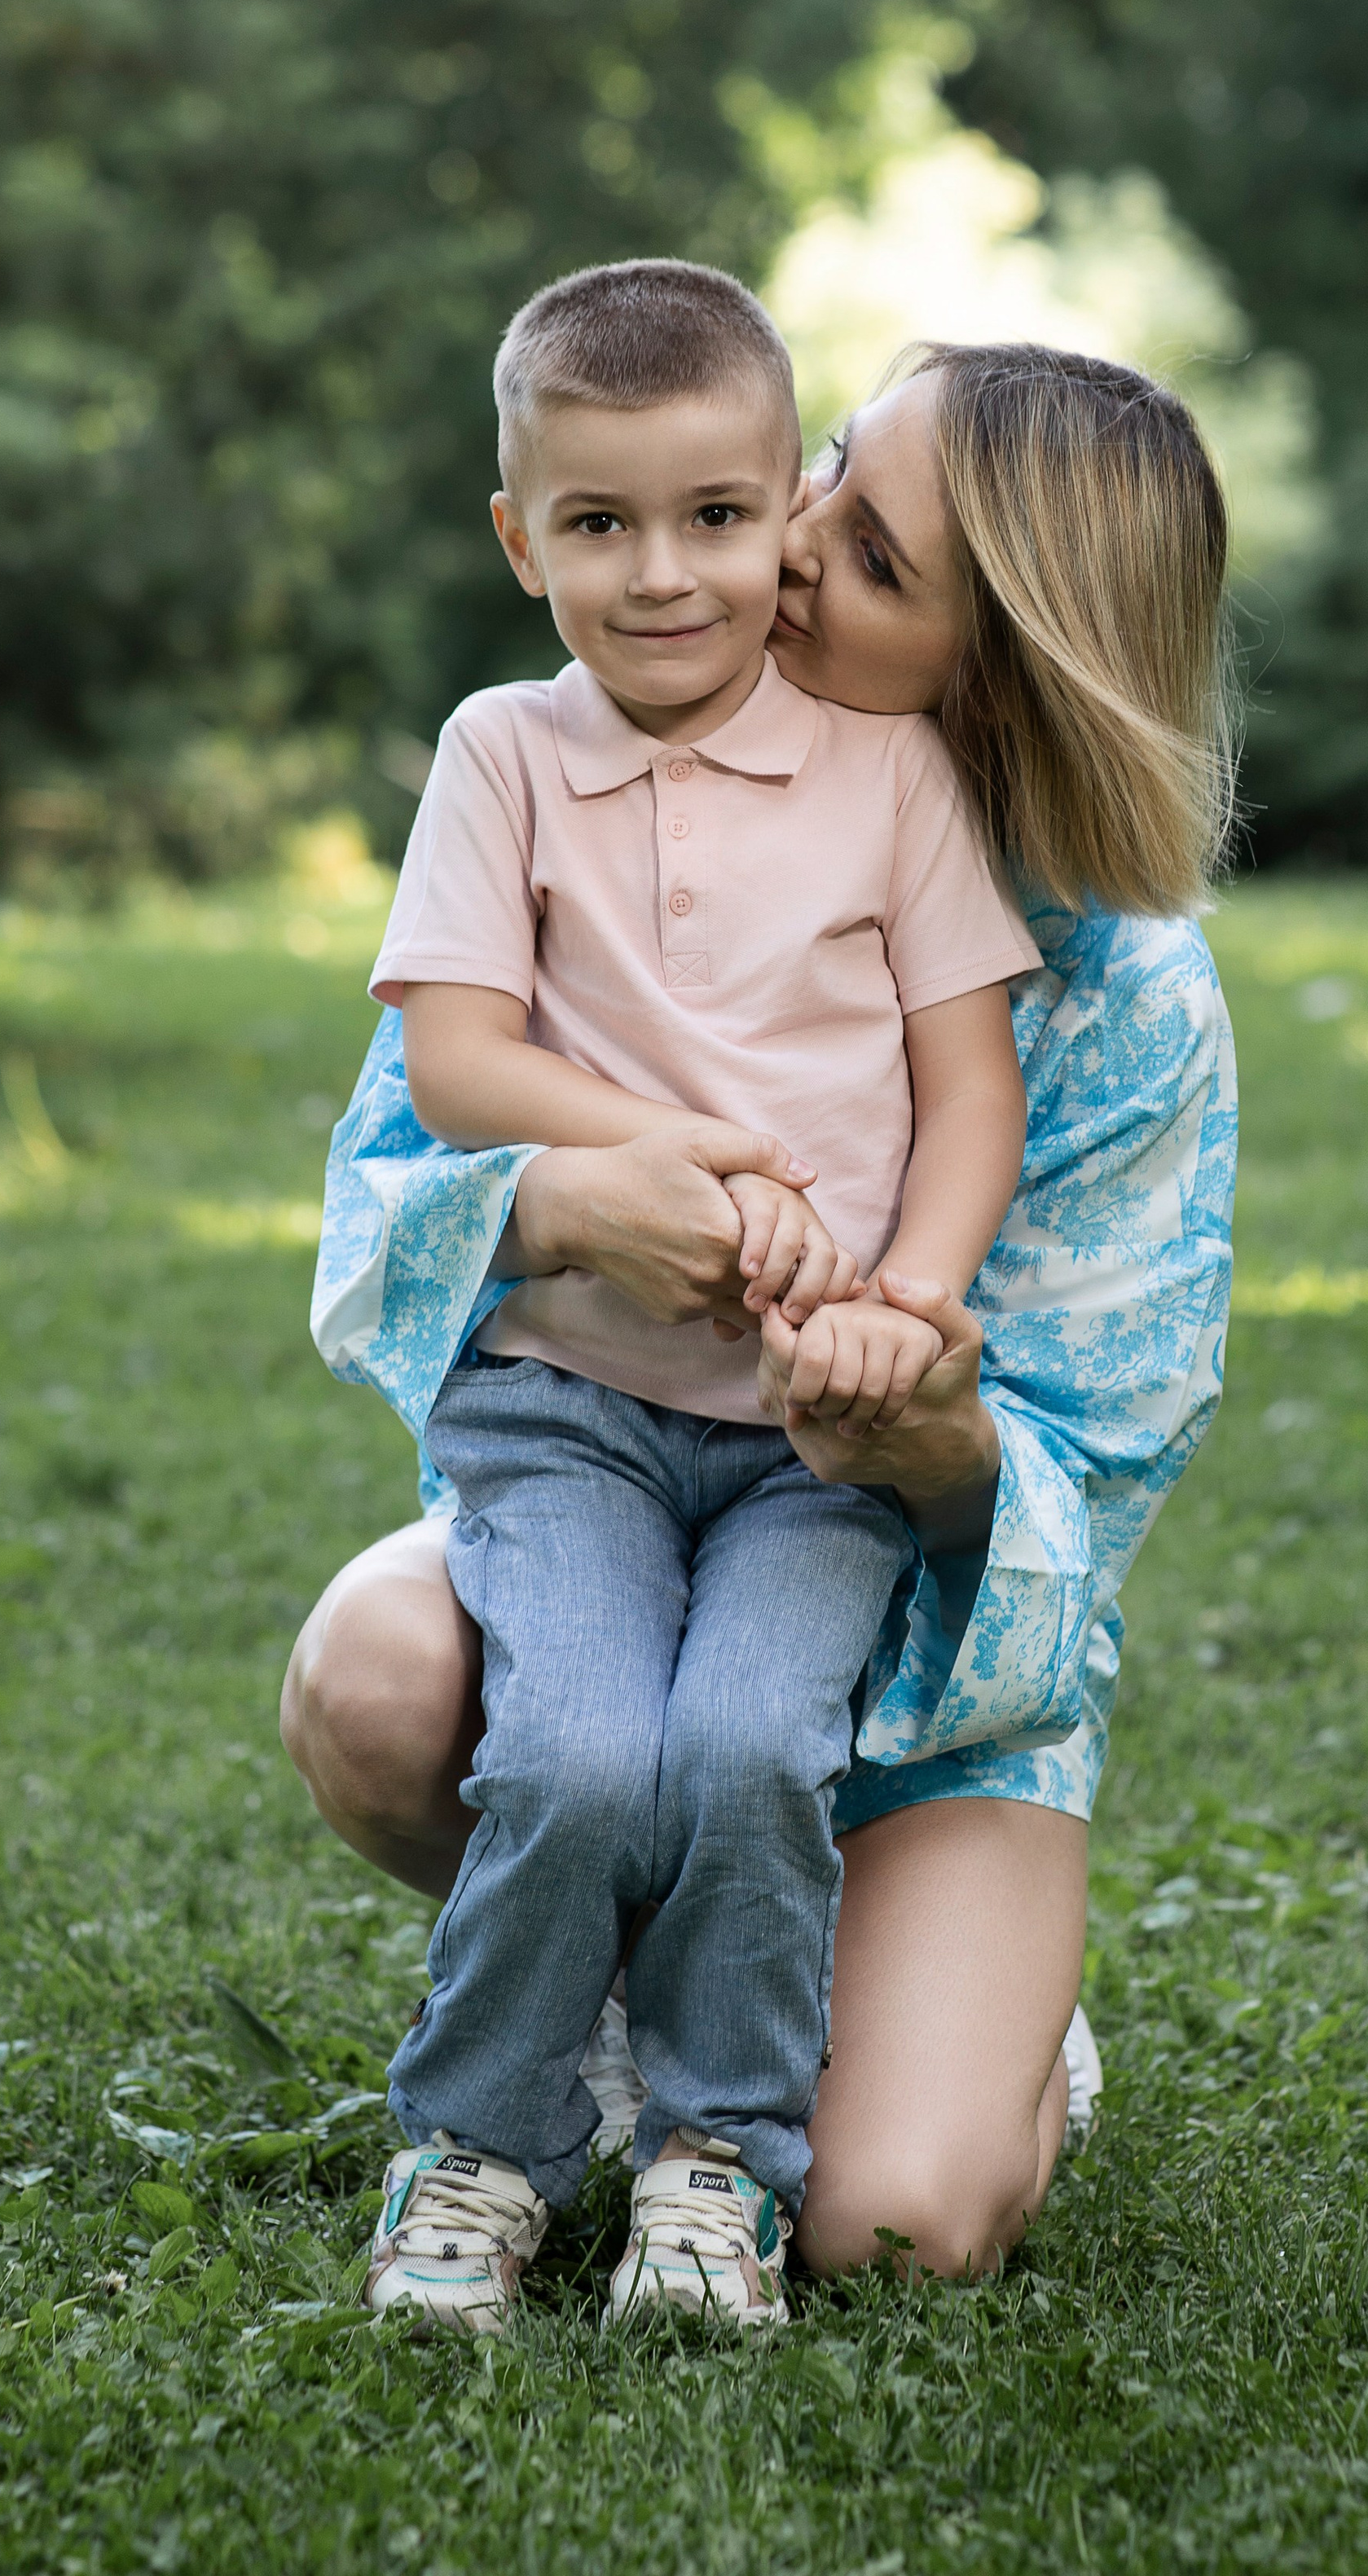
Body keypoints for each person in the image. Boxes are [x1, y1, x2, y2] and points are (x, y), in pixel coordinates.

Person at [288, 332, 1238, 2288]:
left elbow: (1102, 1479)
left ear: (997, 673)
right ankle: (641, 1975)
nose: (782, 543)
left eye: (872, 558)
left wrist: (936, 1436)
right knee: (376, 1679)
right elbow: (374, 1214)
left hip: (911, 1658)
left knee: (895, 2223)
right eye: (825, 472)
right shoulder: (581, 777)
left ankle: (910, 2003)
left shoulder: (1125, 998)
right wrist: (555, 1200)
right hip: (626, 1530)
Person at [353, 258, 1040, 2332]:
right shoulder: (498, 754)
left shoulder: (885, 774)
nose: (663, 576)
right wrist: (680, 1157)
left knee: (747, 1745)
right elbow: (455, 1061)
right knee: (574, 1750)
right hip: (567, 1410)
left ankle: (714, 2157)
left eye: (717, 516)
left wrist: (905, 1298)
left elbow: (967, 1088)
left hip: (807, 1442)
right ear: (518, 539)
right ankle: (478, 2145)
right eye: (599, 522)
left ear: (782, 512)